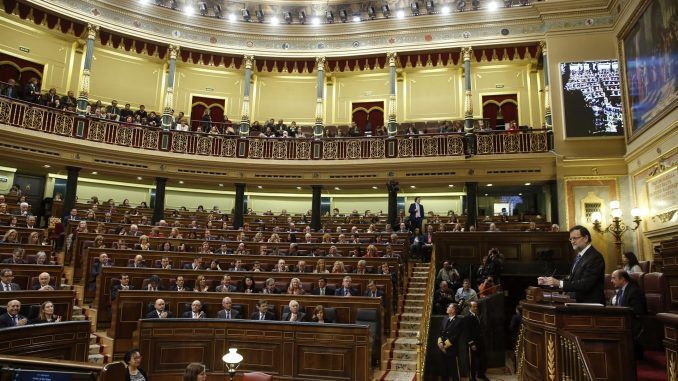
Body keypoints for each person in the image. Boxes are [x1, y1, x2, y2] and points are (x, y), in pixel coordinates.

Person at [539, 225, 605, 304]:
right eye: (571, 239)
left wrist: (559, 283)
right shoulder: (579, 255)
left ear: (586, 238)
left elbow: (586, 284)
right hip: (576, 302)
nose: (572, 241)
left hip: (590, 304)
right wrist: (550, 281)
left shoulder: (595, 257)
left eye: (575, 238)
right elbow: (573, 279)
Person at [611, 269, 647, 358]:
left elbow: (637, 311)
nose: (611, 281)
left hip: (632, 323)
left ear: (622, 279)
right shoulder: (621, 290)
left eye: (613, 278)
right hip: (622, 322)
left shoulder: (634, 291)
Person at [437, 303, 463, 381]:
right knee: (444, 370)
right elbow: (440, 332)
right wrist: (440, 343)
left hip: (451, 350)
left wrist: (444, 346)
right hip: (442, 349)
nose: (447, 307)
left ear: (453, 310)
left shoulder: (458, 321)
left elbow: (455, 336)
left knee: (454, 370)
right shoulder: (445, 319)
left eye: (449, 307)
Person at [466, 301, 487, 381]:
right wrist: (471, 343)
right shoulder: (468, 317)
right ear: (470, 307)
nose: (476, 308)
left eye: (476, 306)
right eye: (474, 307)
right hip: (473, 343)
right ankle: (473, 377)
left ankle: (481, 374)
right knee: (473, 361)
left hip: (481, 341)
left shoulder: (477, 315)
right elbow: (467, 332)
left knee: (483, 359)